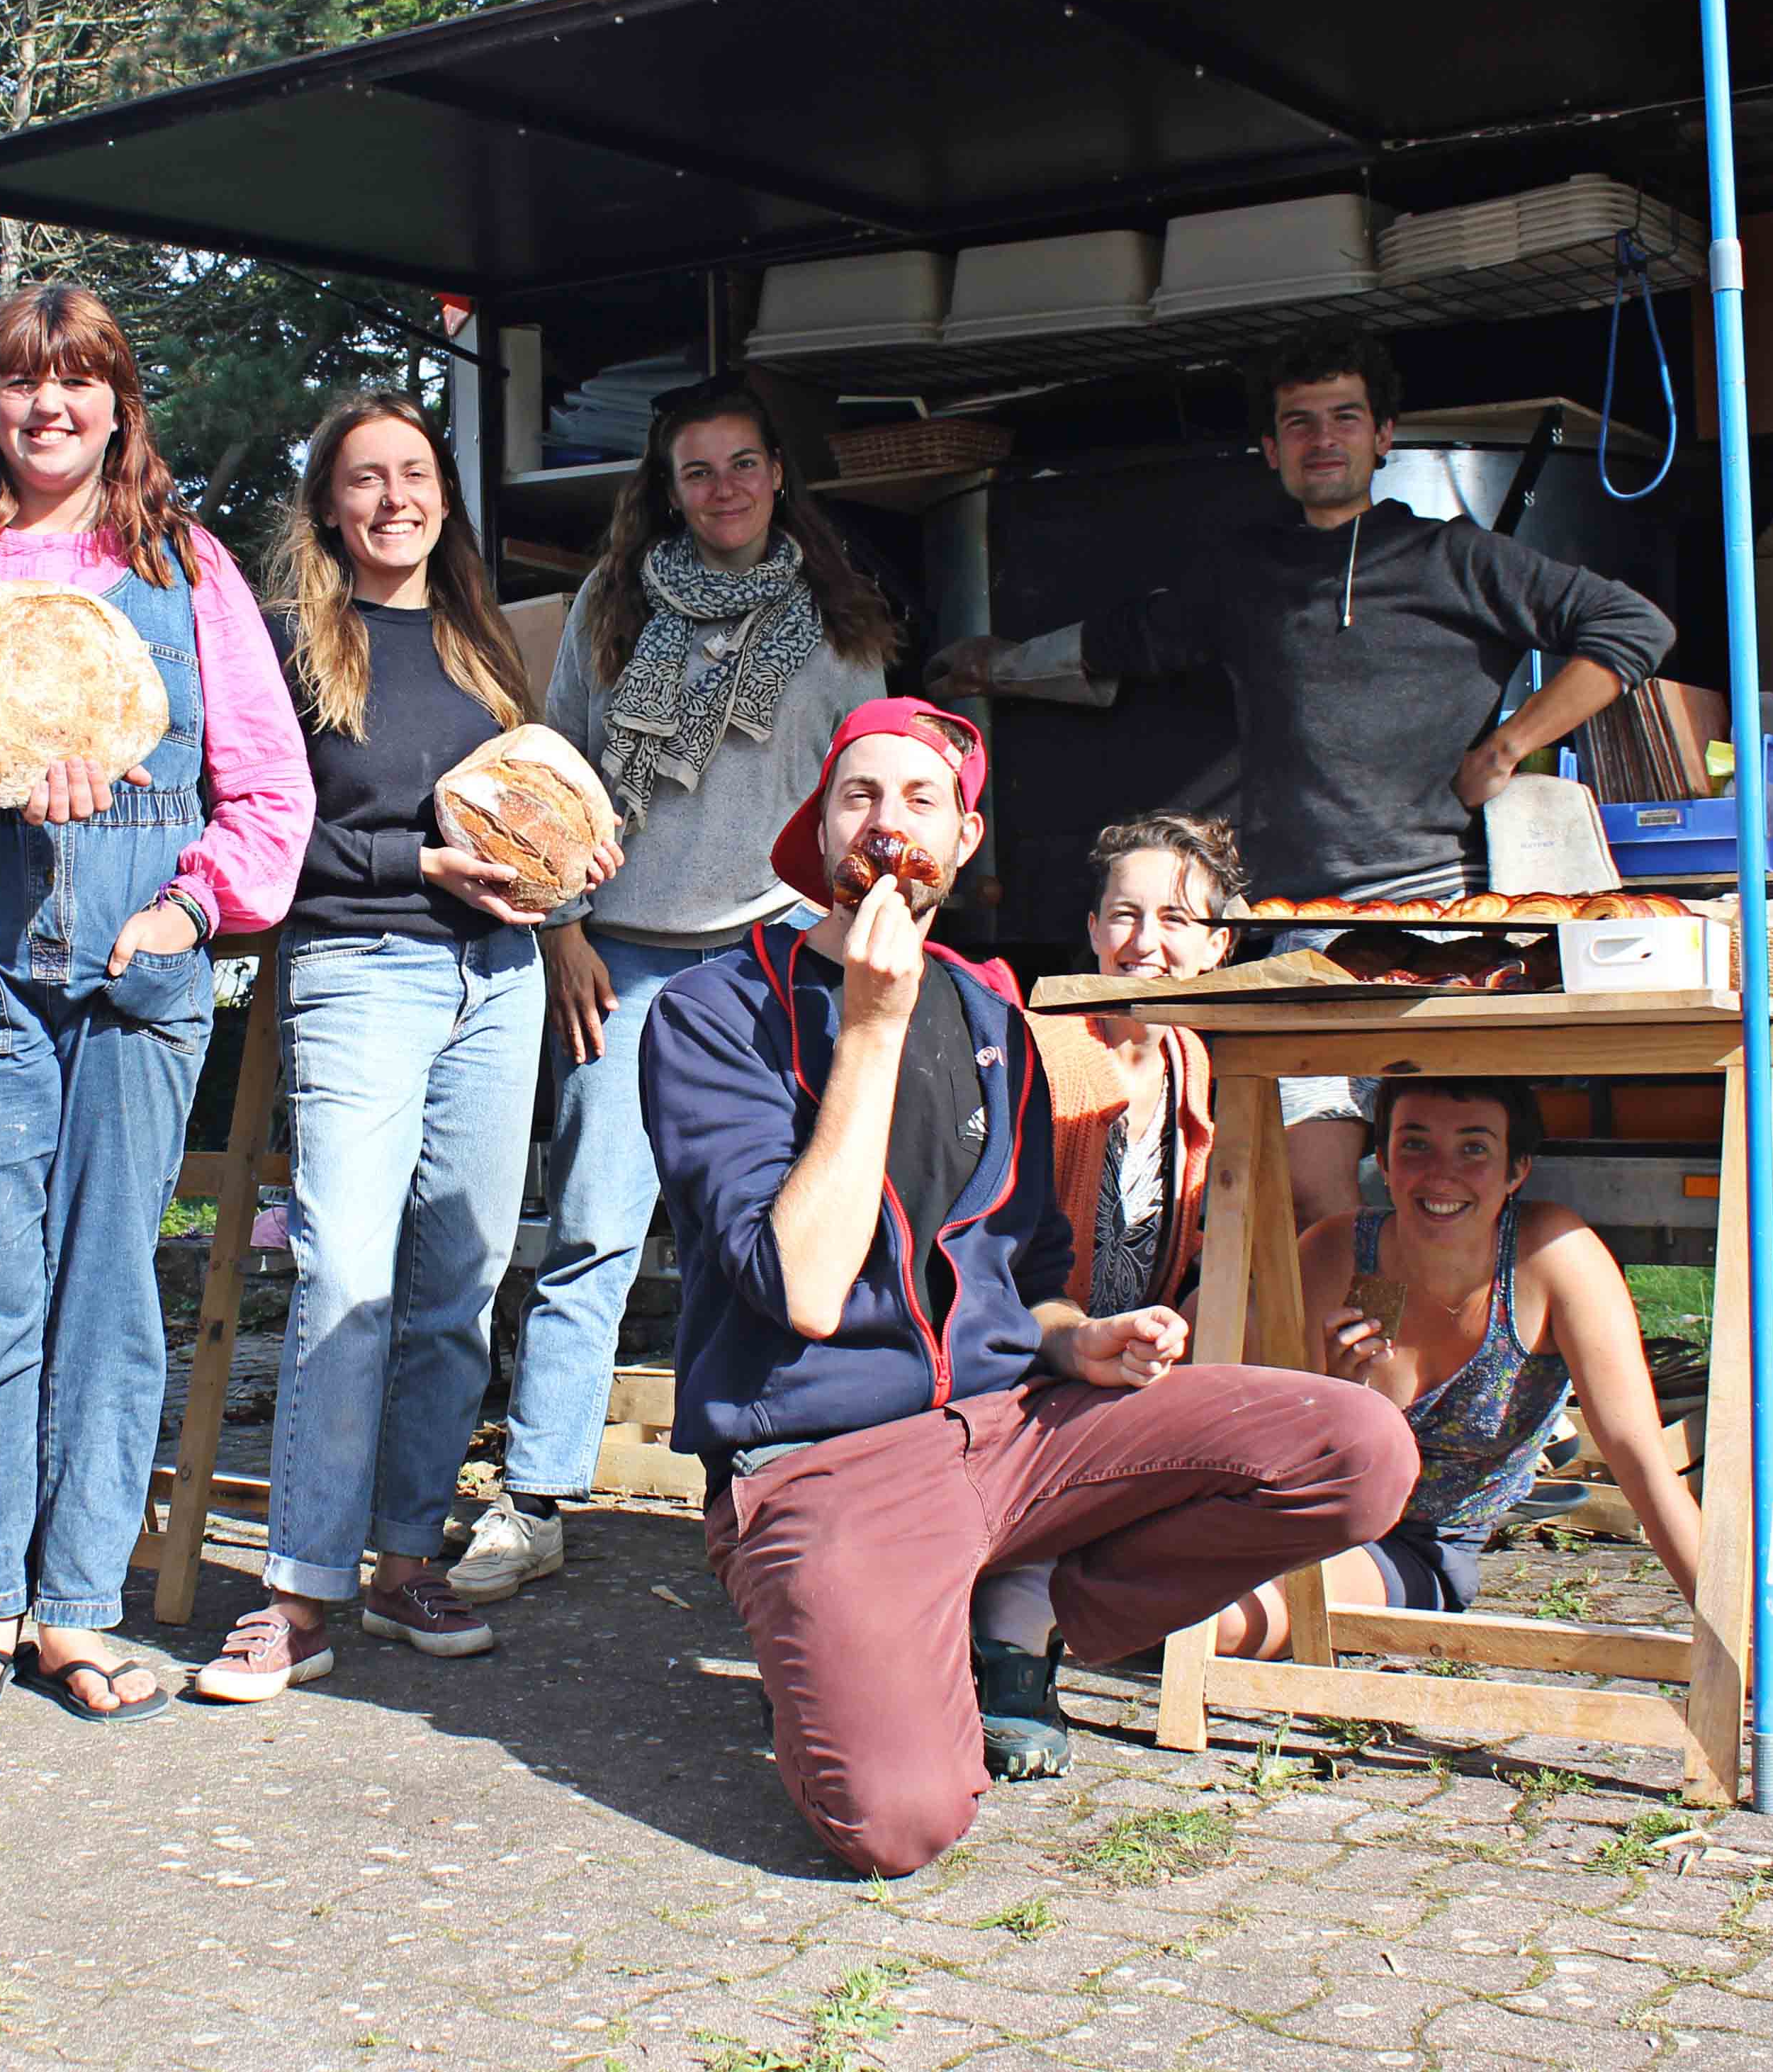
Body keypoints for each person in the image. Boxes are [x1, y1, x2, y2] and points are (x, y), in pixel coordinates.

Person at [641, 696, 1415, 1877]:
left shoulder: (991, 1009)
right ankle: (879, 1640)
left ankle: (1012, 1611)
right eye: (857, 795)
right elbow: (799, 1285)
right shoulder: (713, 1013)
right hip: (825, 1462)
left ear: (959, 840)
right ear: (818, 825)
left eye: (918, 801)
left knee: (1353, 1447)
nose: (883, 824)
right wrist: (866, 1029)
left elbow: (1029, 1274)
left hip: (1011, 1431)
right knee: (899, 1821)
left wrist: (1075, 1340)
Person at [929, 322, 1674, 1230]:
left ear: (1383, 436)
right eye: (1300, 423)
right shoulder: (1248, 572)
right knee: (1313, 1204)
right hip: (1294, 938)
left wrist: (1511, 742)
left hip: (1441, 932)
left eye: (1345, 417)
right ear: (1271, 449)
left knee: (1443, 1197)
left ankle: (1416, 1367)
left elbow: (1632, 627)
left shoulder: (1457, 556)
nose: (1323, 439)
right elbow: (1132, 639)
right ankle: (1336, 1371)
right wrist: (997, 664)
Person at [0, 284, 311, 1725]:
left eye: (79, 382)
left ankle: (77, 1610)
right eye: (20, 382)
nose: (48, 408)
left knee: (112, 1296)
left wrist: (184, 909)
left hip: (141, 983)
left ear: (122, 402)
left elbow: (266, 788)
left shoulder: (185, 568)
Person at [191, 395, 619, 1701]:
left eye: (415, 475)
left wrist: (569, 882)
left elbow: (530, 807)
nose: (393, 499)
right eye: (365, 479)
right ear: (327, 504)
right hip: (358, 967)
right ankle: (296, 1588)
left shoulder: (478, 638)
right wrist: (406, 859)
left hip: (493, 976)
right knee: (342, 1278)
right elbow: (259, 819)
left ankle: (397, 1554)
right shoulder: (285, 643)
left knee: (458, 1282)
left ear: (443, 497)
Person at [461, 376, 894, 1606]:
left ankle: (749, 1491)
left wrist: (838, 931)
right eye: (695, 470)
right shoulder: (611, 602)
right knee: (594, 1228)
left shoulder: (835, 617)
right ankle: (534, 1494)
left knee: (748, 1237)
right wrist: (562, 931)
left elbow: (869, 792)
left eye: (741, 464)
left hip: (762, 964)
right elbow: (544, 775)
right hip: (625, 958)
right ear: (667, 486)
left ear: (775, 475)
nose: (720, 489)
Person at [1215, 1079, 1773, 1698]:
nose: (1440, 1174)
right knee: (1152, 1581)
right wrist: (1332, 1395)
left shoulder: (1548, 1257)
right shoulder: (1338, 1251)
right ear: (1384, 1161)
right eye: (1414, 1144)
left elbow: (1637, 1455)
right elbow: (1251, 1428)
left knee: (1211, 1621)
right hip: (1289, 1514)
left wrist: (1758, 1649)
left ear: (1517, 1168)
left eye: (1473, 1149)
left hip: (1413, 1545)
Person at [970, 812, 1238, 1779]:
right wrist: (1072, 1341)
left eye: (1175, 919)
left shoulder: (1203, 1065)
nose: (1145, 943)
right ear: (1089, 931)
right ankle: (1011, 1644)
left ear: (1218, 946)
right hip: (1017, 1360)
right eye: (1123, 915)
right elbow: (985, 1261)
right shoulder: (1037, 1048)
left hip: (1129, 1370)